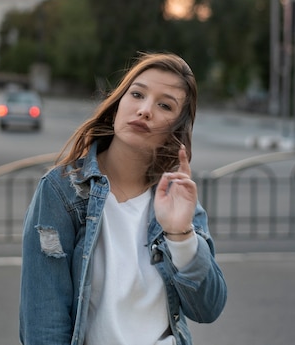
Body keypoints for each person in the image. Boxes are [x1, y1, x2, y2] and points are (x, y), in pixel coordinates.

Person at [19, 52, 227, 345]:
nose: (144, 110)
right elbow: (43, 323)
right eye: (137, 94)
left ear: (175, 131)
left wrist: (180, 235)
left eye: (164, 105)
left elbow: (208, 308)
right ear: (118, 105)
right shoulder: (62, 190)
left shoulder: (177, 199)